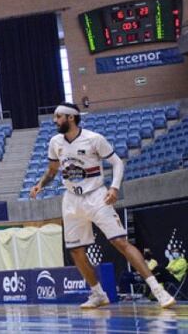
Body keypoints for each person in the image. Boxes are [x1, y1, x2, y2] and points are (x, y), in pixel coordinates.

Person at [30, 102, 175, 309]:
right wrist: (40, 185)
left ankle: (158, 290)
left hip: (96, 196)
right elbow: (53, 170)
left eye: (58, 116)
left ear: (71, 118)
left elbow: (117, 163)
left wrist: (114, 188)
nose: (55, 120)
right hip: (71, 199)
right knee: (76, 251)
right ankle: (98, 294)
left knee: (120, 243)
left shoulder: (94, 139)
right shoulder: (55, 142)